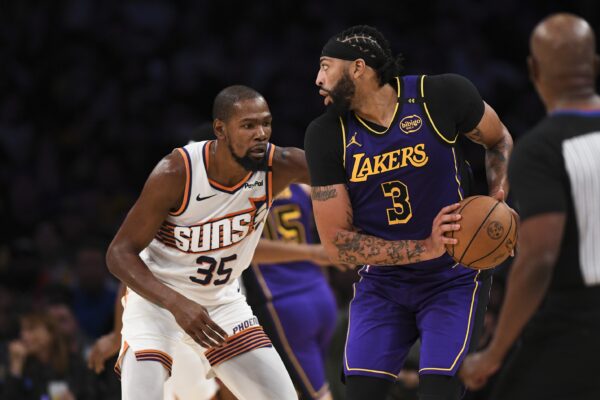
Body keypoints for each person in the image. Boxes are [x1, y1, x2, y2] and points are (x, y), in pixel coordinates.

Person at [304, 25, 514, 400]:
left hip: (454, 277)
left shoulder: (440, 95)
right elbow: (337, 245)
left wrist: (497, 193)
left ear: (358, 68)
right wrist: (424, 247)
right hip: (383, 285)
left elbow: (498, 139)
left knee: (438, 393)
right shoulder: (325, 135)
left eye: (325, 67)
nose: (318, 79)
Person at [106, 85, 309, 400]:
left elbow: (352, 175)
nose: (261, 133)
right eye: (248, 125)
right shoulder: (176, 172)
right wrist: (176, 303)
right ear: (220, 129)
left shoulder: (280, 165)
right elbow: (118, 254)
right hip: (157, 305)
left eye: (266, 123)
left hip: (220, 302)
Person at [460, 13, 600, 399]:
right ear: (594, 65)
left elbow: (538, 260)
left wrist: (494, 353)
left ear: (534, 70)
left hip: (577, 326)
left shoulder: (542, 148)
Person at [243, 183, 341, 400]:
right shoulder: (300, 187)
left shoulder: (240, 194)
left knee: (316, 394)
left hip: (283, 303)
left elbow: (248, 250)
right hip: (321, 294)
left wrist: (312, 253)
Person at [4, 312, 96, 400]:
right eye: (23, 330)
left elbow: (91, 395)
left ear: (51, 334)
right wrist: (16, 365)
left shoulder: (74, 364)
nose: (23, 335)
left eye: (31, 329)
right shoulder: (23, 365)